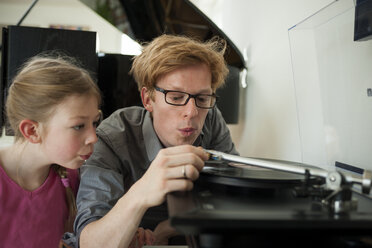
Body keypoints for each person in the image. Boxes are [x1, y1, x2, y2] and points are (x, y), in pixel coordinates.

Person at [75, 34, 239, 247]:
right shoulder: (111, 138)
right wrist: (141, 191)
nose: (192, 112)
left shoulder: (210, 117)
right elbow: (90, 242)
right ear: (147, 99)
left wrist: (167, 229)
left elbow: (236, 195)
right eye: (176, 97)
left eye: (201, 98)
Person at [0, 55, 102, 247]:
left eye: (94, 122)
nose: (94, 137)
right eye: (79, 126)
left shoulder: (73, 179)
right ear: (32, 131)